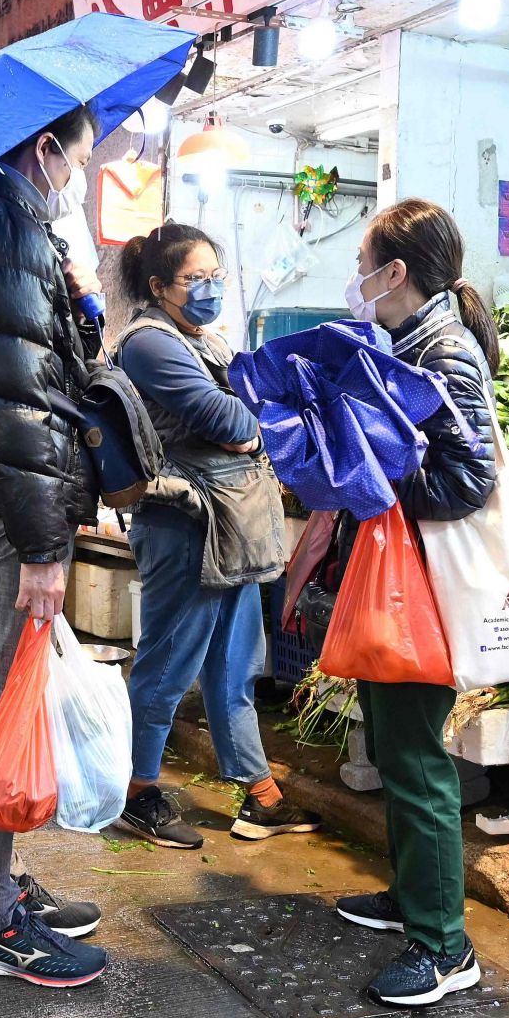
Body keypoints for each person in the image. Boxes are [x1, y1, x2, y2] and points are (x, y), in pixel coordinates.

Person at [0, 104, 110, 988]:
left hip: (8, 501)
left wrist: (81, 299)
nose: (82, 174)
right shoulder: (4, 230)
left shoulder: (13, 230)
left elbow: (47, 369)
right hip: (11, 509)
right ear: (44, 149)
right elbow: (15, 399)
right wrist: (42, 544)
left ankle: (3, 887)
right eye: (80, 157)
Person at [329, 199, 499, 1007]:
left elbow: (470, 478)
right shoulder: (408, 345)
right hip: (398, 581)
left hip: (422, 588)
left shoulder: (444, 352)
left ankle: (444, 946)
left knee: (418, 758)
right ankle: (412, 897)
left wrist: (375, 477)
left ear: (394, 273)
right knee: (394, 749)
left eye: (364, 263)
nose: (357, 277)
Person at [111, 224, 321, 848]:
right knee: (169, 663)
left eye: (215, 277)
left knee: (236, 666)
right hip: (185, 527)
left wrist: (253, 424)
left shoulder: (207, 340)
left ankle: (259, 796)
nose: (209, 289)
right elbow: (227, 416)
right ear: (159, 286)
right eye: (194, 279)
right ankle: (136, 793)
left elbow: (247, 415)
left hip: (232, 524)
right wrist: (257, 422)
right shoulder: (149, 343)